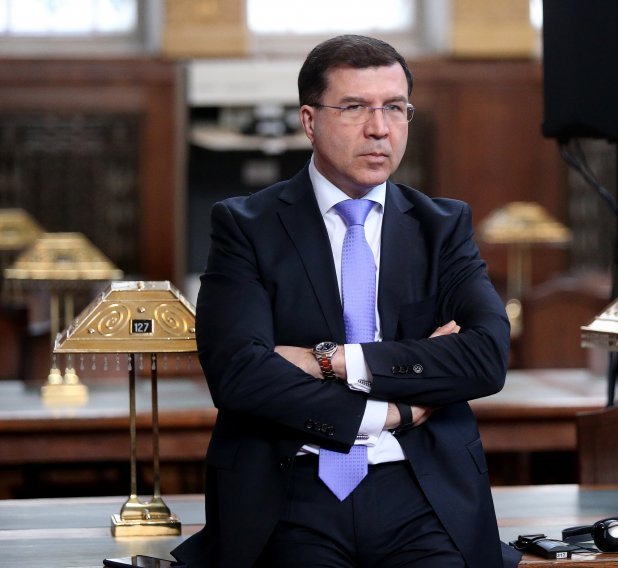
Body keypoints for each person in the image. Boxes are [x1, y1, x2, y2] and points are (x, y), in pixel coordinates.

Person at [172, 34, 521, 568]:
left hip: (424, 493)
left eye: (395, 108)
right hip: (291, 492)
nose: (379, 128)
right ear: (309, 121)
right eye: (355, 107)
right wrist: (390, 413)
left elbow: (486, 357)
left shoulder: (442, 227)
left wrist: (332, 360)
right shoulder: (246, 226)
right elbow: (238, 373)